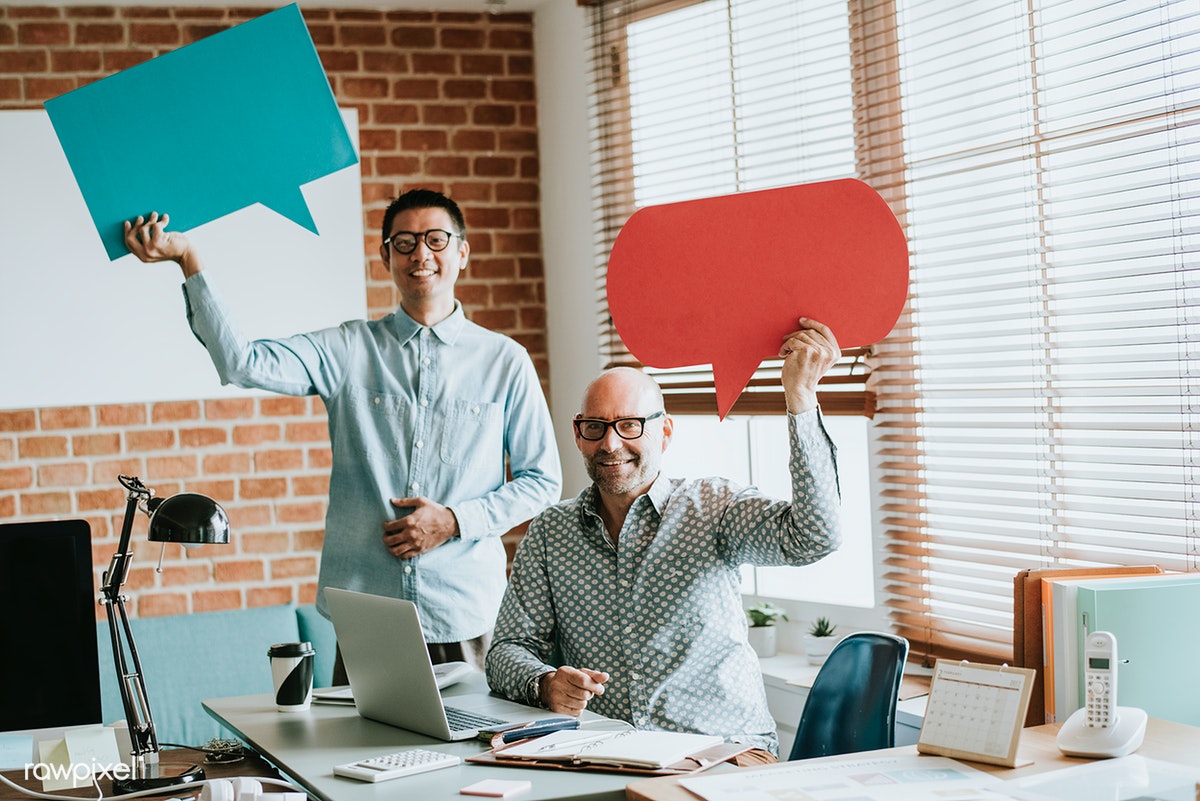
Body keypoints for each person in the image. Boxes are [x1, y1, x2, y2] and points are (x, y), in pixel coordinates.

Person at [123, 189, 562, 675]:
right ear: (385, 257)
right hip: (368, 616)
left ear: (462, 251)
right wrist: (188, 259)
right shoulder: (349, 348)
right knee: (359, 753)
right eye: (405, 242)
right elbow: (241, 362)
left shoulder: (505, 361)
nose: (421, 254)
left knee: (472, 748)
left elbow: (542, 481)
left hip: (464, 614)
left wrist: (456, 520)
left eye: (436, 240)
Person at [485, 318, 843, 763]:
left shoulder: (716, 508)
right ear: (578, 434)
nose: (611, 444)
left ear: (665, 432)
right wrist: (544, 683)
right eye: (596, 427)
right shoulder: (550, 532)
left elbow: (816, 536)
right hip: (600, 756)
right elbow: (505, 652)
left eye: (630, 425)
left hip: (720, 752)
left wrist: (802, 399)